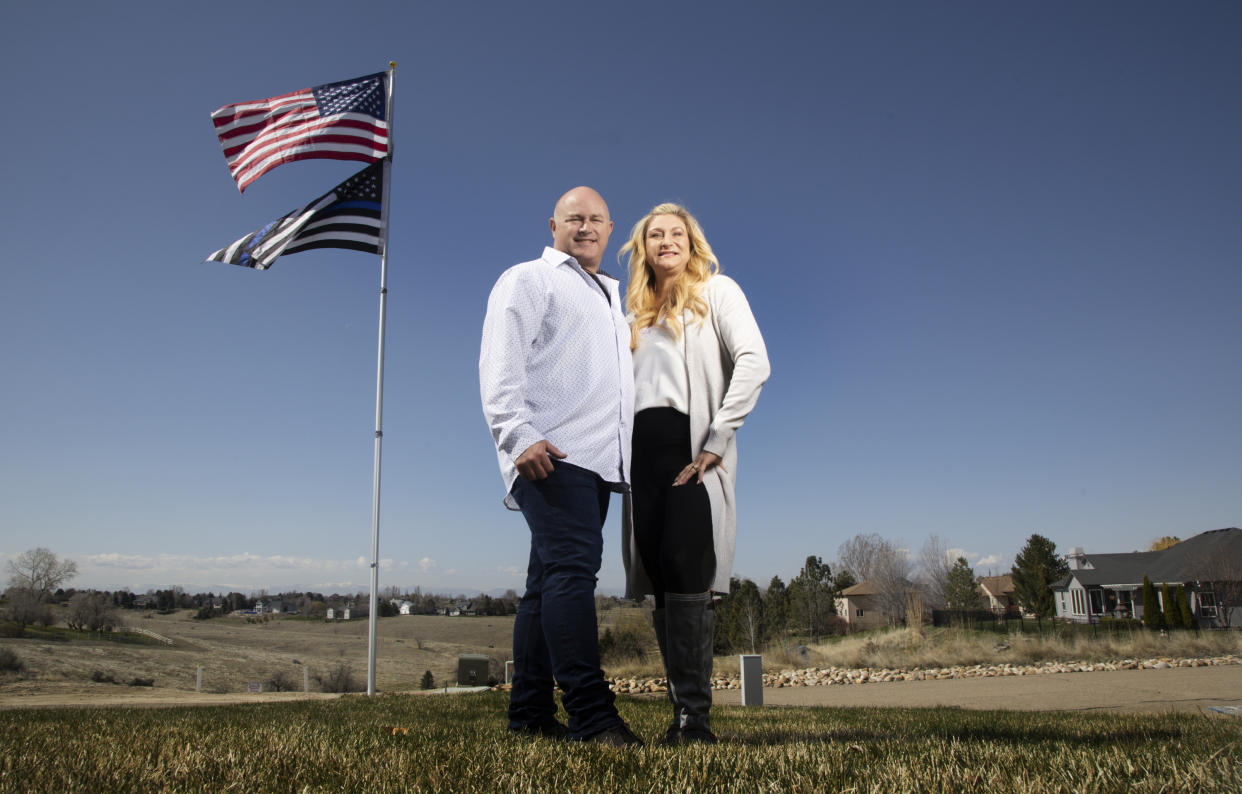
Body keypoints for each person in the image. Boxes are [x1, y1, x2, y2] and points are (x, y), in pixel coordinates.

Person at [479, 186, 642, 746]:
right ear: (554, 225)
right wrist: (516, 434)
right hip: (550, 452)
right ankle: (593, 716)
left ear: (610, 228)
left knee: (545, 586)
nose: (586, 226)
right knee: (573, 574)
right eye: (575, 218)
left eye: (596, 219)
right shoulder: (530, 278)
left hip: (597, 462)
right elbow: (500, 360)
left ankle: (528, 717)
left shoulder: (610, 299)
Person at [619, 202, 769, 744]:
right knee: (660, 580)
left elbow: (755, 361)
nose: (666, 241)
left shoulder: (717, 292)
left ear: (691, 241)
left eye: (675, 233)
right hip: (641, 457)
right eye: (655, 234)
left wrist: (716, 439)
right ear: (643, 248)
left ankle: (695, 721)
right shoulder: (631, 313)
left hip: (692, 451)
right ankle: (679, 713)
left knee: (688, 572)